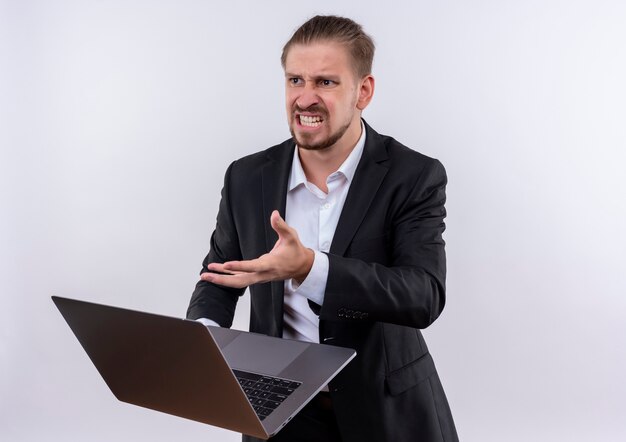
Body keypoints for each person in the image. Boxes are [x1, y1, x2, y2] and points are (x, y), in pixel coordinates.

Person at [187, 15, 458, 442]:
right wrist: (202, 337)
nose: (305, 98)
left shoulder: (414, 175)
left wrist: (310, 268)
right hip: (280, 414)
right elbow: (221, 274)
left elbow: (422, 295)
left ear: (363, 91)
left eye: (326, 83)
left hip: (386, 414)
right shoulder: (246, 177)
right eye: (295, 80)